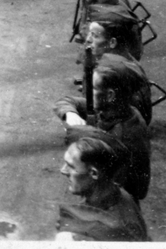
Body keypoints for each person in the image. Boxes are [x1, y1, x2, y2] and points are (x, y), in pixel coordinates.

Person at [54, 57, 151, 202]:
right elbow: (66, 101)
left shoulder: (124, 136)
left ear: (110, 95)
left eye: (93, 88)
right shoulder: (117, 110)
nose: (86, 91)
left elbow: (124, 187)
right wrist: (70, 113)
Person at [56, 138, 150, 241]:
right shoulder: (113, 192)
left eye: (70, 166)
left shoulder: (114, 229)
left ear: (94, 173)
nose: (63, 171)